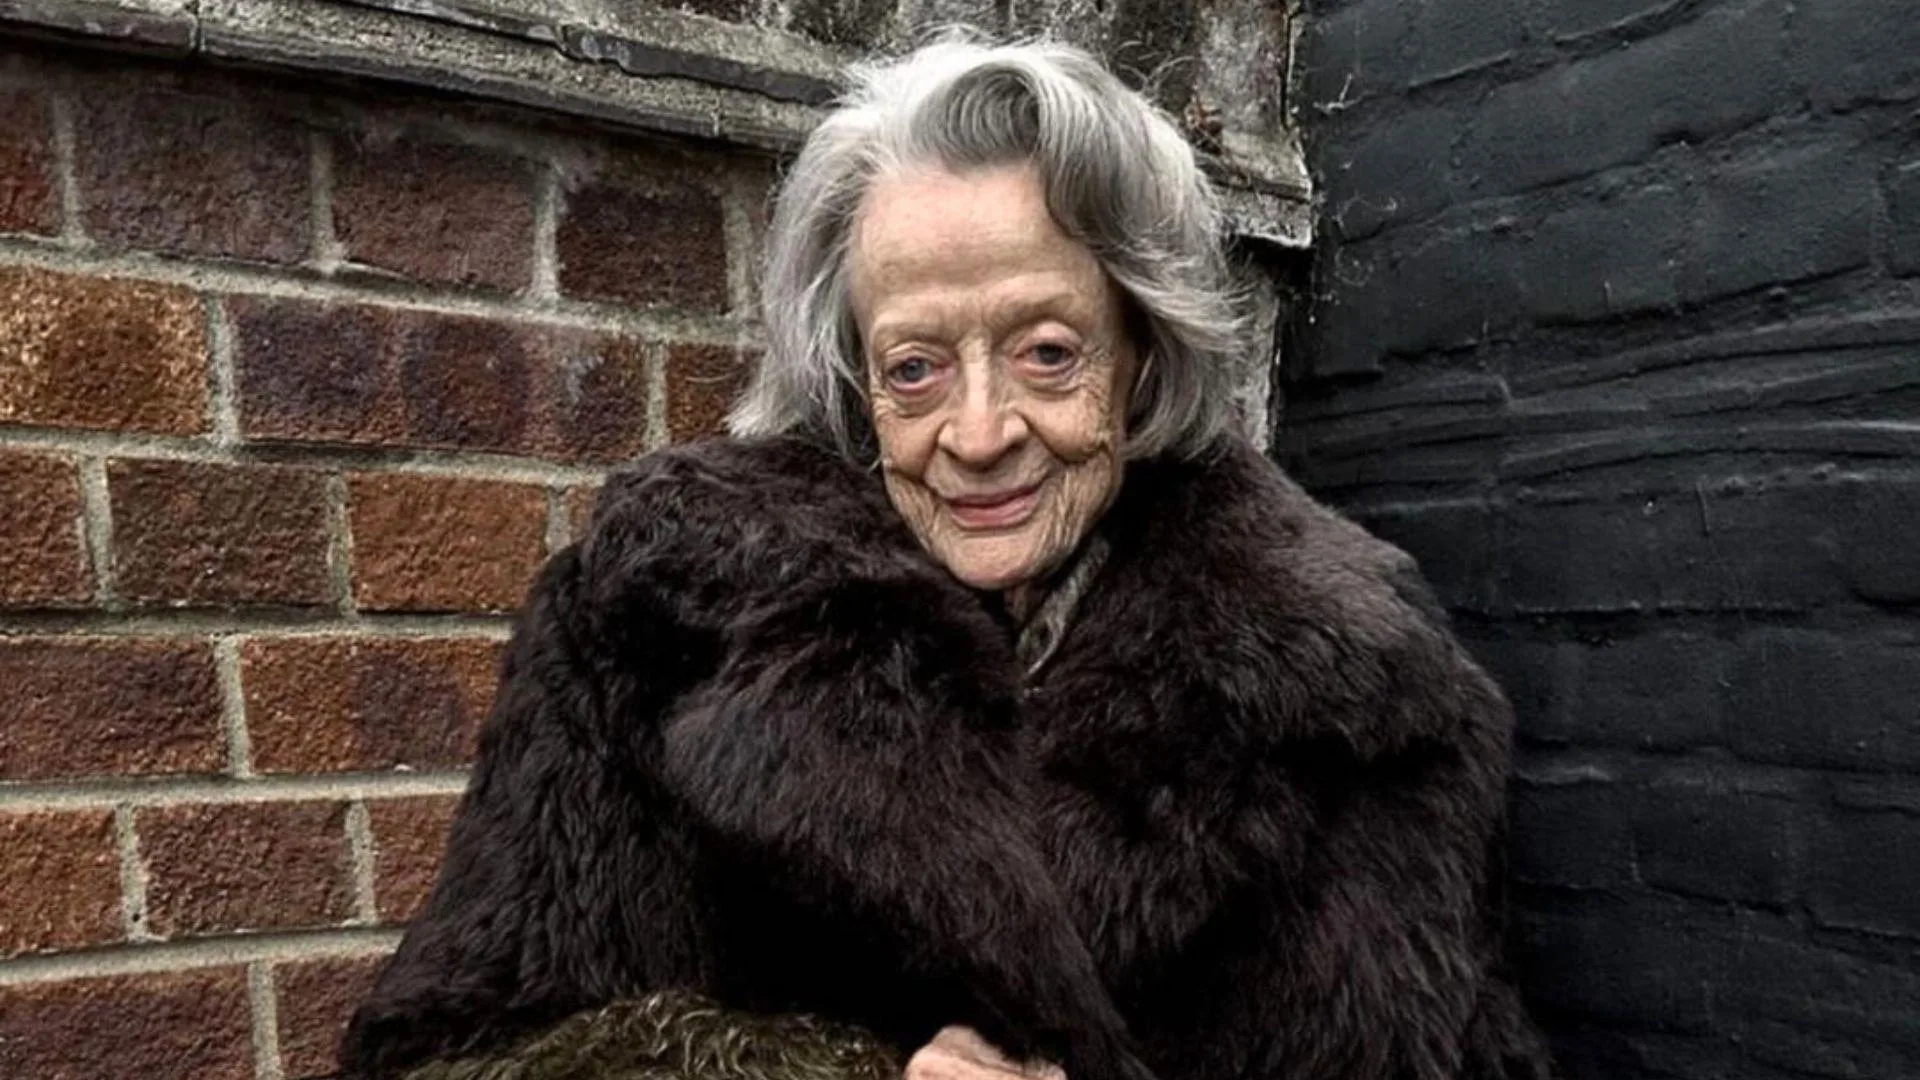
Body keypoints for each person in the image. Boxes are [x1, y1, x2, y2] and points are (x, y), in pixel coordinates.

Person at [338, 33, 1553, 1080]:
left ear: (1140, 350)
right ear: (852, 381)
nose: (979, 435)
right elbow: (452, 1050)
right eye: (915, 367)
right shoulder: (652, 623)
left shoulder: (1363, 689)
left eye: (1046, 352)